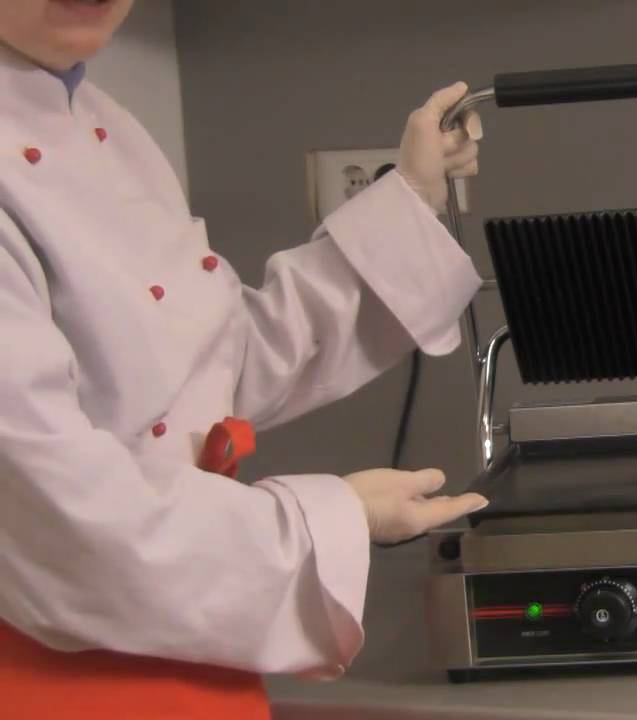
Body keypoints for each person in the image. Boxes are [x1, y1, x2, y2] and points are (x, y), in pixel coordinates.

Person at [0, 1, 490, 717]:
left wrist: (410, 195)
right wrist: (332, 517)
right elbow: (63, 520)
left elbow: (211, 363)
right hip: (48, 678)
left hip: (190, 645)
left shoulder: (104, 122)